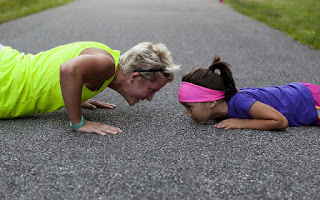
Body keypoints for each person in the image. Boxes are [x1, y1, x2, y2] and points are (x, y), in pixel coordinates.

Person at [0, 41, 180, 135]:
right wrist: (78, 122)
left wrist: (75, 94)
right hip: (5, 80)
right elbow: (68, 69)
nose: (150, 98)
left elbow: (60, 65)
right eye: (152, 90)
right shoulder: (106, 65)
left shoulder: (106, 59)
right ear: (134, 77)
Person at [178, 55, 320, 130]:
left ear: (211, 102)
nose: (188, 114)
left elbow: (280, 121)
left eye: (190, 107)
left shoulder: (240, 101)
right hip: (302, 94)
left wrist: (242, 123)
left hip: (309, 101)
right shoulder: (221, 109)